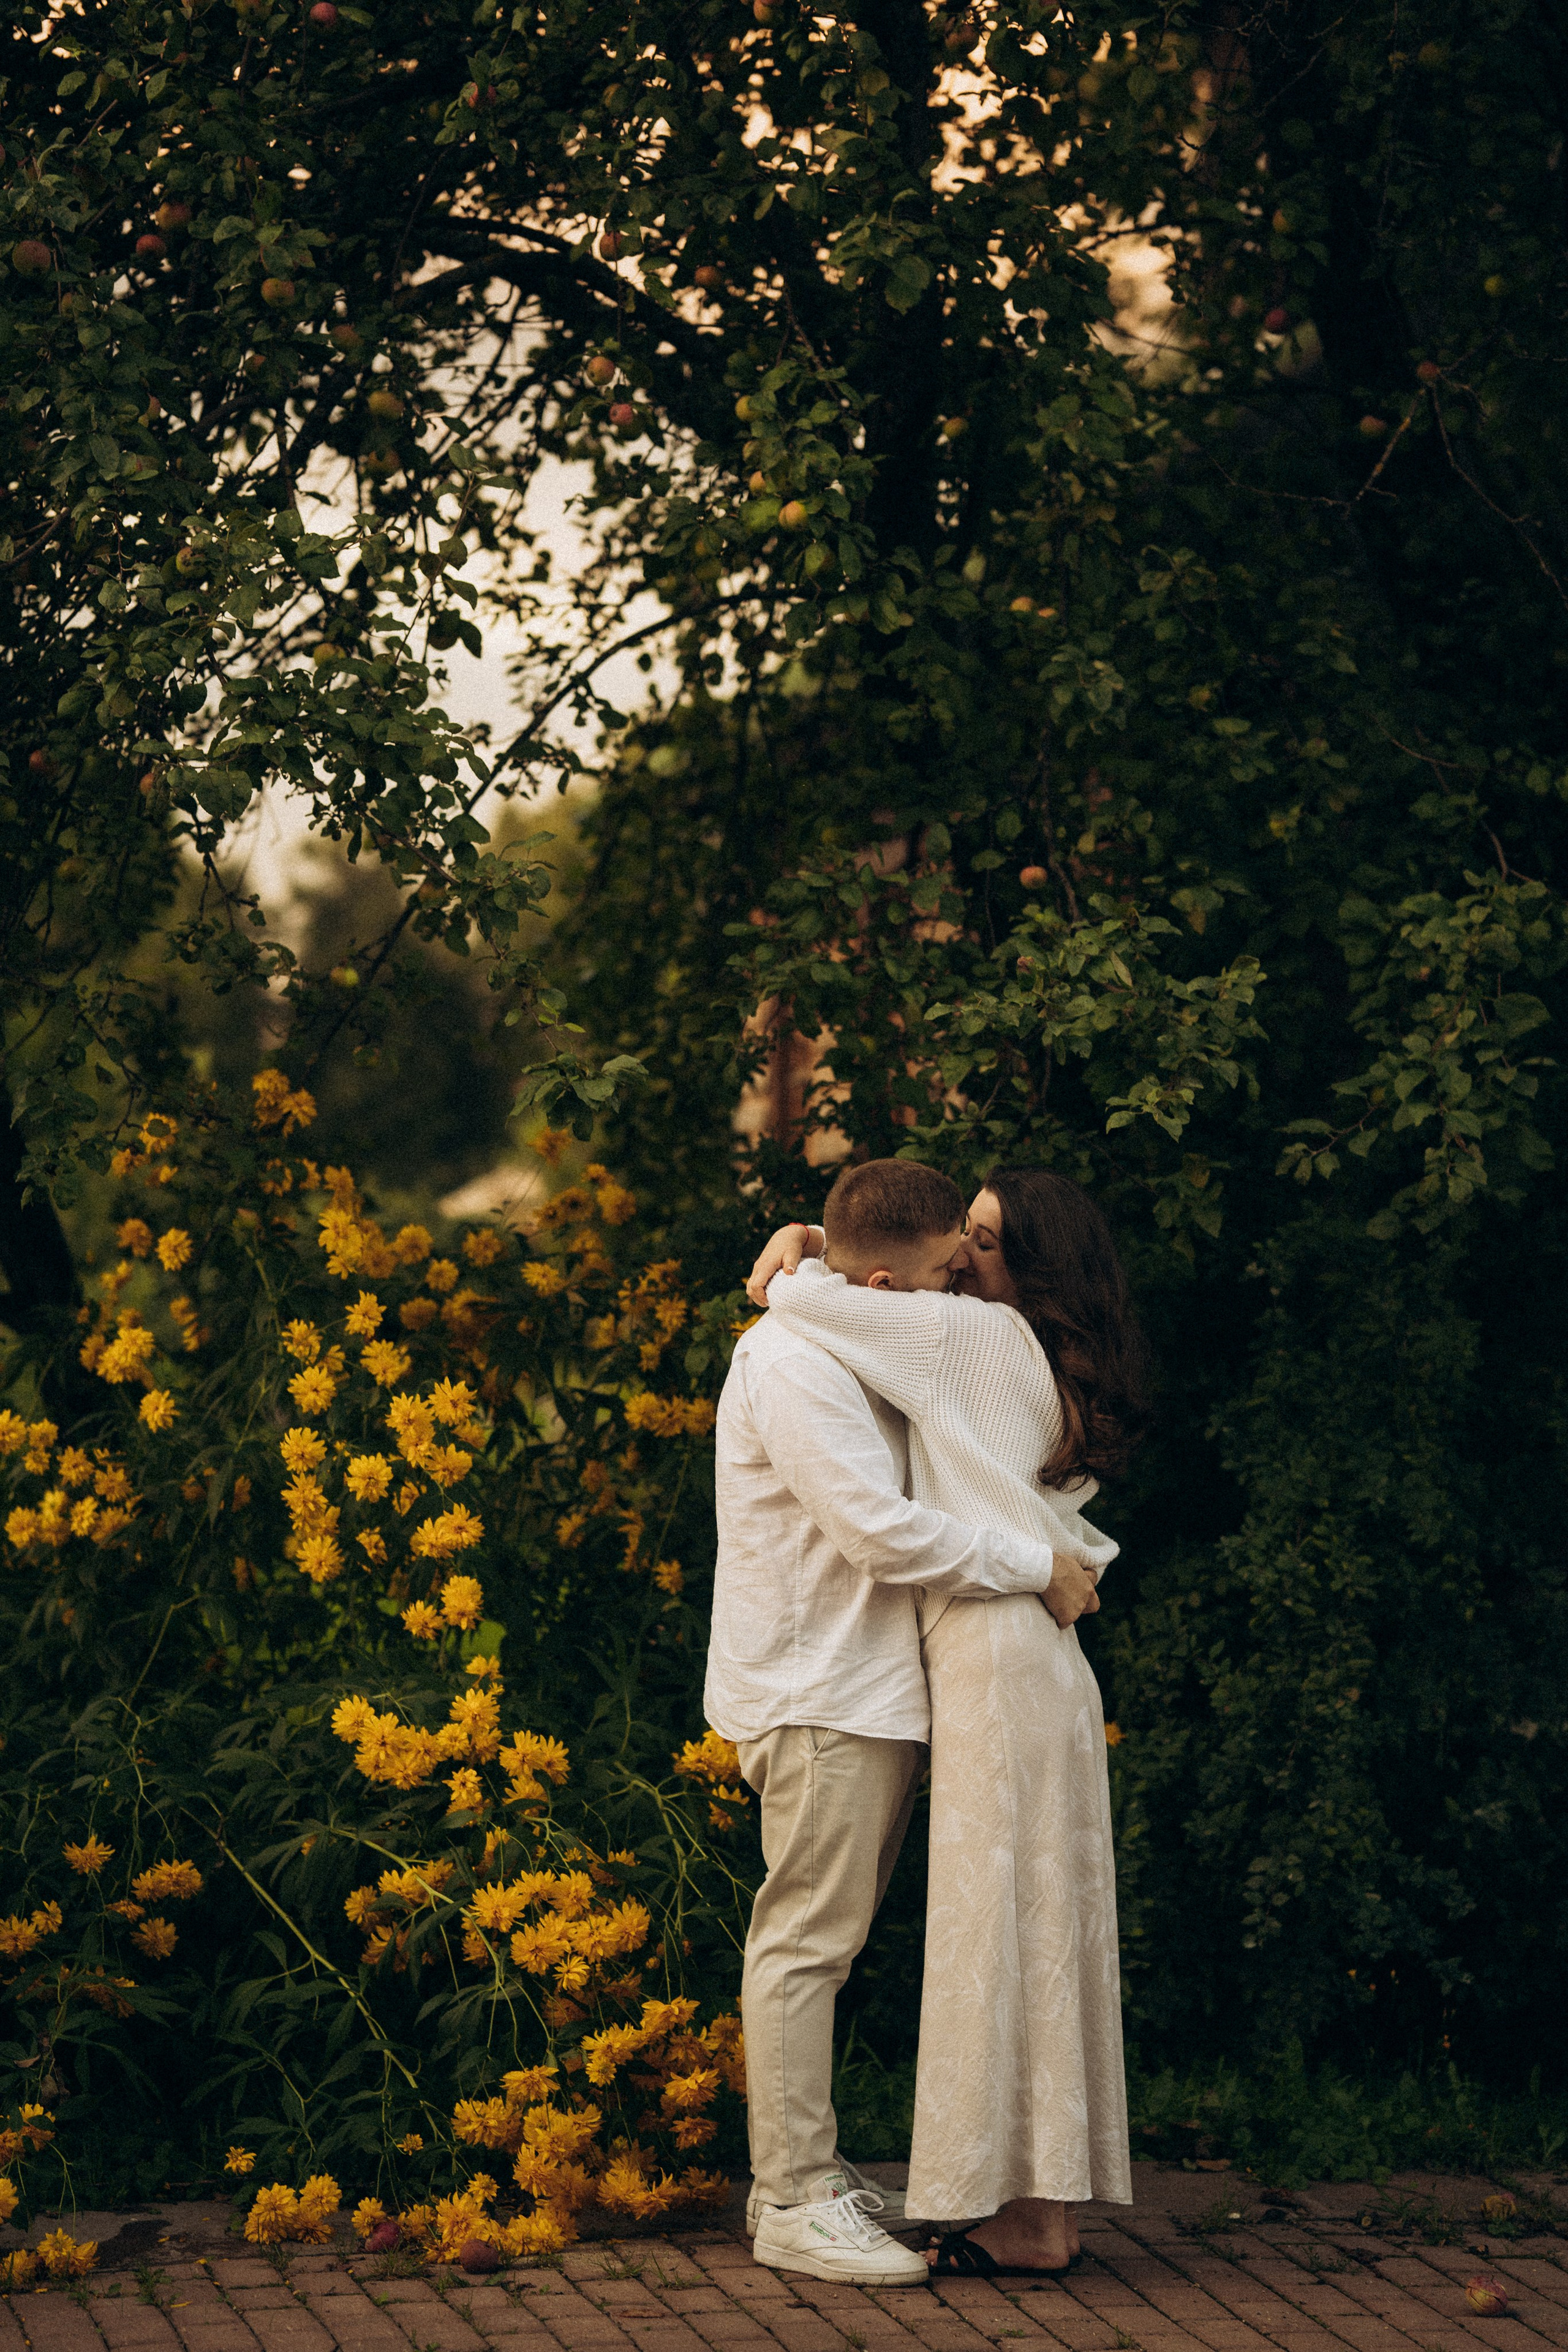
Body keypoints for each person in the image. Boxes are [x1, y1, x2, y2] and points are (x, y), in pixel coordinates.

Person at [745, 1164, 1150, 2278]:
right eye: (959, 1238)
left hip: (993, 1646)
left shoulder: (966, 1340)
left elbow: (807, 1290)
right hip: (1035, 1652)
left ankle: (1011, 2210)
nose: (959, 1260)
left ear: (1024, 1266)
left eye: (982, 1241)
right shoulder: (1015, 1353)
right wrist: (814, 1241)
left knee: (992, 1928)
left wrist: (792, 1246)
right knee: (1039, 1922)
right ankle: (1039, 2214)